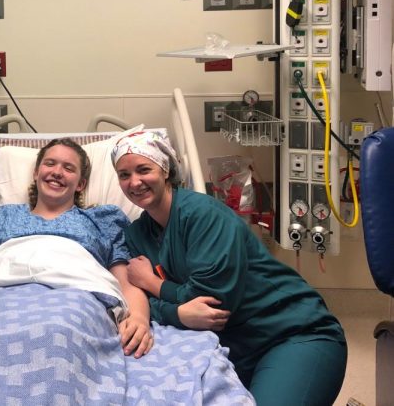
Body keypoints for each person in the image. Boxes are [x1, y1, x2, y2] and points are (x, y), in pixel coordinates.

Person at [112, 130, 347, 406]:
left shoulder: (202, 215)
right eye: (124, 175)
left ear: (165, 170)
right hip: (229, 347)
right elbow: (152, 306)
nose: (134, 182)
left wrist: (154, 285)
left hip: (290, 334)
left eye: (143, 170)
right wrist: (179, 312)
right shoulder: (137, 234)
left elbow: (213, 306)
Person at [0, 137, 153, 360]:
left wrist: (140, 318)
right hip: (2, 304)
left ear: (81, 184)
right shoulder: (4, 216)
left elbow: (125, 283)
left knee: (63, 337)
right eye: (50, 163)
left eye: (69, 168)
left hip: (76, 303)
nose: (57, 172)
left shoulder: (102, 220)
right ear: (36, 172)